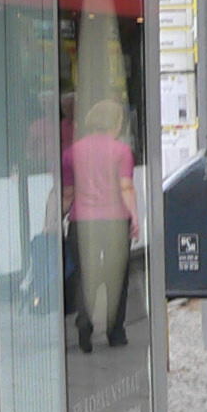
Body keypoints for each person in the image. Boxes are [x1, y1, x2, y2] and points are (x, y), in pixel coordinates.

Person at [65, 97, 137, 353]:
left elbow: (67, 193)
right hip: (114, 223)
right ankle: (115, 332)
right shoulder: (122, 151)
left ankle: (85, 321)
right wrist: (135, 217)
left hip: (81, 223)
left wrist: (52, 219)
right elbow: (126, 187)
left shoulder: (72, 152)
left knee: (85, 274)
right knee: (117, 276)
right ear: (116, 123)